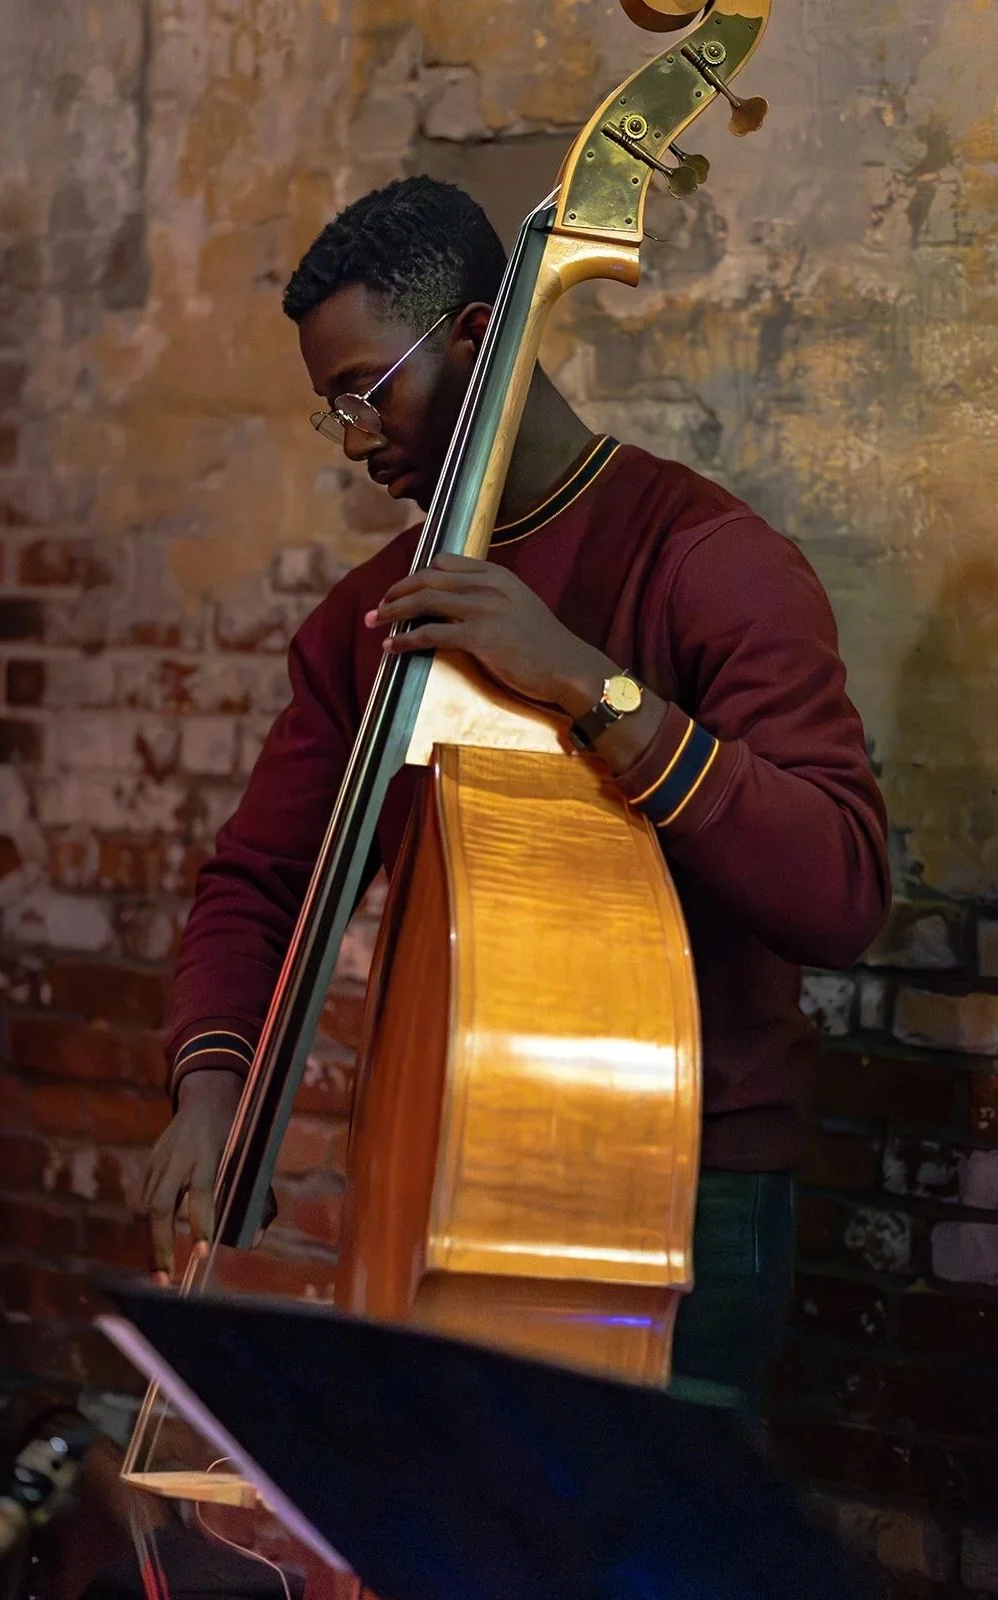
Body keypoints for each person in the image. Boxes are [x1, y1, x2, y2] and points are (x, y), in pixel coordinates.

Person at [137, 176, 890, 1417]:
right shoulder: (374, 618)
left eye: (364, 394)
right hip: (435, 1162)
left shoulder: (710, 562)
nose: (356, 439)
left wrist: (595, 691)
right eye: (332, 411)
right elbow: (258, 883)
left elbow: (840, 890)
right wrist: (213, 1090)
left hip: (684, 1190)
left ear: (478, 337)